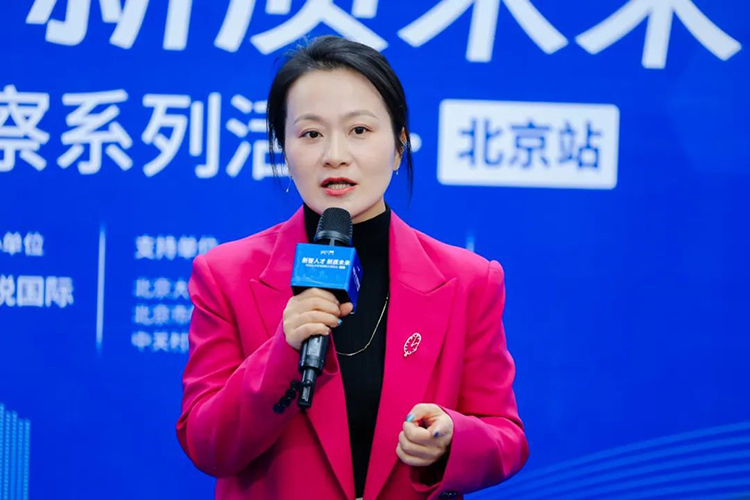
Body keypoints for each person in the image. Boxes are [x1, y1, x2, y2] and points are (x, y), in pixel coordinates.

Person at [176, 35, 529, 500]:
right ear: (283, 149)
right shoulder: (225, 275)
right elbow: (207, 444)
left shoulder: (469, 280)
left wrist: (451, 440)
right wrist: (283, 350)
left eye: (359, 130)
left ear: (399, 145)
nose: (334, 154)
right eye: (311, 134)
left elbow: (506, 437)